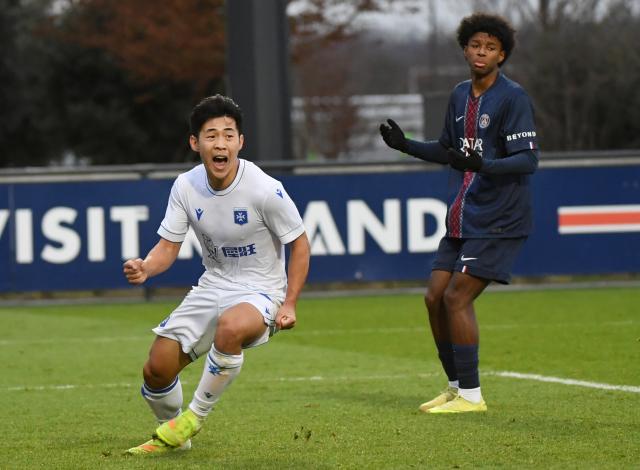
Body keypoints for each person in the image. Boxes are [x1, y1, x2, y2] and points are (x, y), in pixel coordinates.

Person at [122, 94, 310, 454]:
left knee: (231, 328)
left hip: (261, 291)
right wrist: (146, 266)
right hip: (213, 284)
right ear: (195, 143)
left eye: (228, 134)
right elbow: (168, 247)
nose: (220, 143)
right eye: (211, 135)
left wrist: (289, 303)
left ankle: (194, 416)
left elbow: (300, 244)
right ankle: (175, 433)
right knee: (156, 368)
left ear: (240, 141)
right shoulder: (186, 186)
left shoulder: (265, 189)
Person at [380, 13, 538, 413]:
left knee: (456, 298)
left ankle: (472, 396)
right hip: (462, 216)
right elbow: (449, 151)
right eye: (475, 45)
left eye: (490, 47)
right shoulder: (458, 95)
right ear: (465, 49)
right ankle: (455, 387)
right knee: (434, 297)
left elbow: (527, 160)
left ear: (502, 55)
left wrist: (485, 166)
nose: (481, 52)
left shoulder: (513, 98)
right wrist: (406, 145)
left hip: (499, 216)